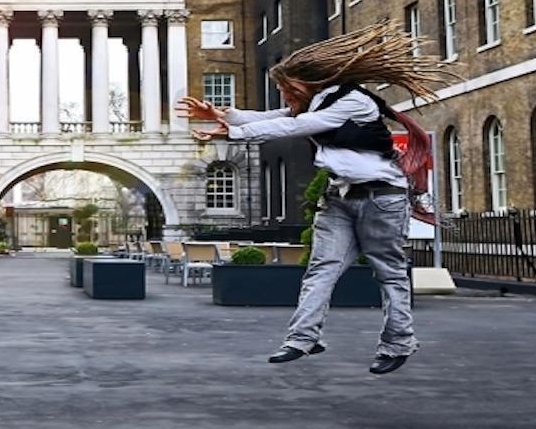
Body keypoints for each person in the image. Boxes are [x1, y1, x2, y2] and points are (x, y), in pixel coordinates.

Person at [179, 22, 455, 375]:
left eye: (285, 87)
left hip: (381, 198)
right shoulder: (317, 102)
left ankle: (399, 342)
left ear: (306, 83)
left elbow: (295, 127)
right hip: (338, 198)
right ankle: (302, 338)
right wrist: (224, 115)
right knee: (320, 270)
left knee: (389, 273)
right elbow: (276, 117)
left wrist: (234, 131)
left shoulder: (353, 101)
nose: (283, 95)